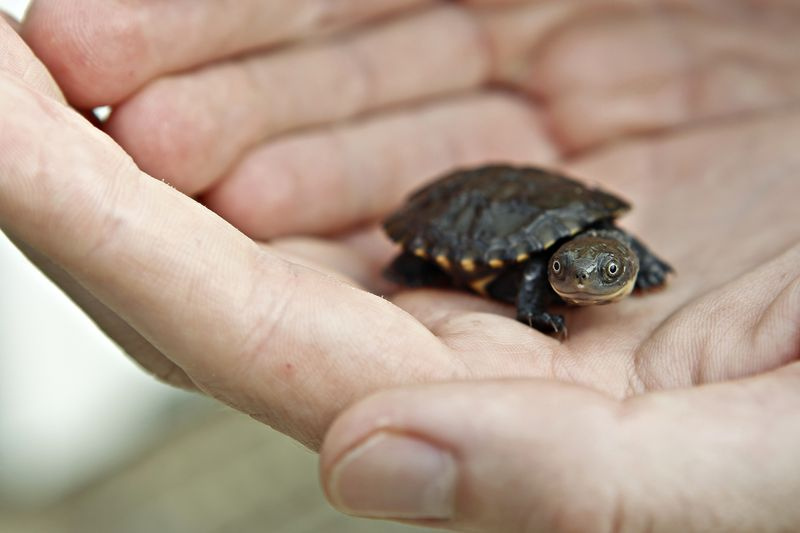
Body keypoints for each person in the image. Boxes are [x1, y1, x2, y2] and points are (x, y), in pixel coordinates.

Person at [2, 1, 799, 530]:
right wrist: (534, 304)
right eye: (588, 273)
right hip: (466, 211)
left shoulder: (606, 244)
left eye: (612, 269)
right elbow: (532, 277)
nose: (597, 277)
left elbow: (611, 246)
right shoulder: (538, 274)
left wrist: (635, 265)